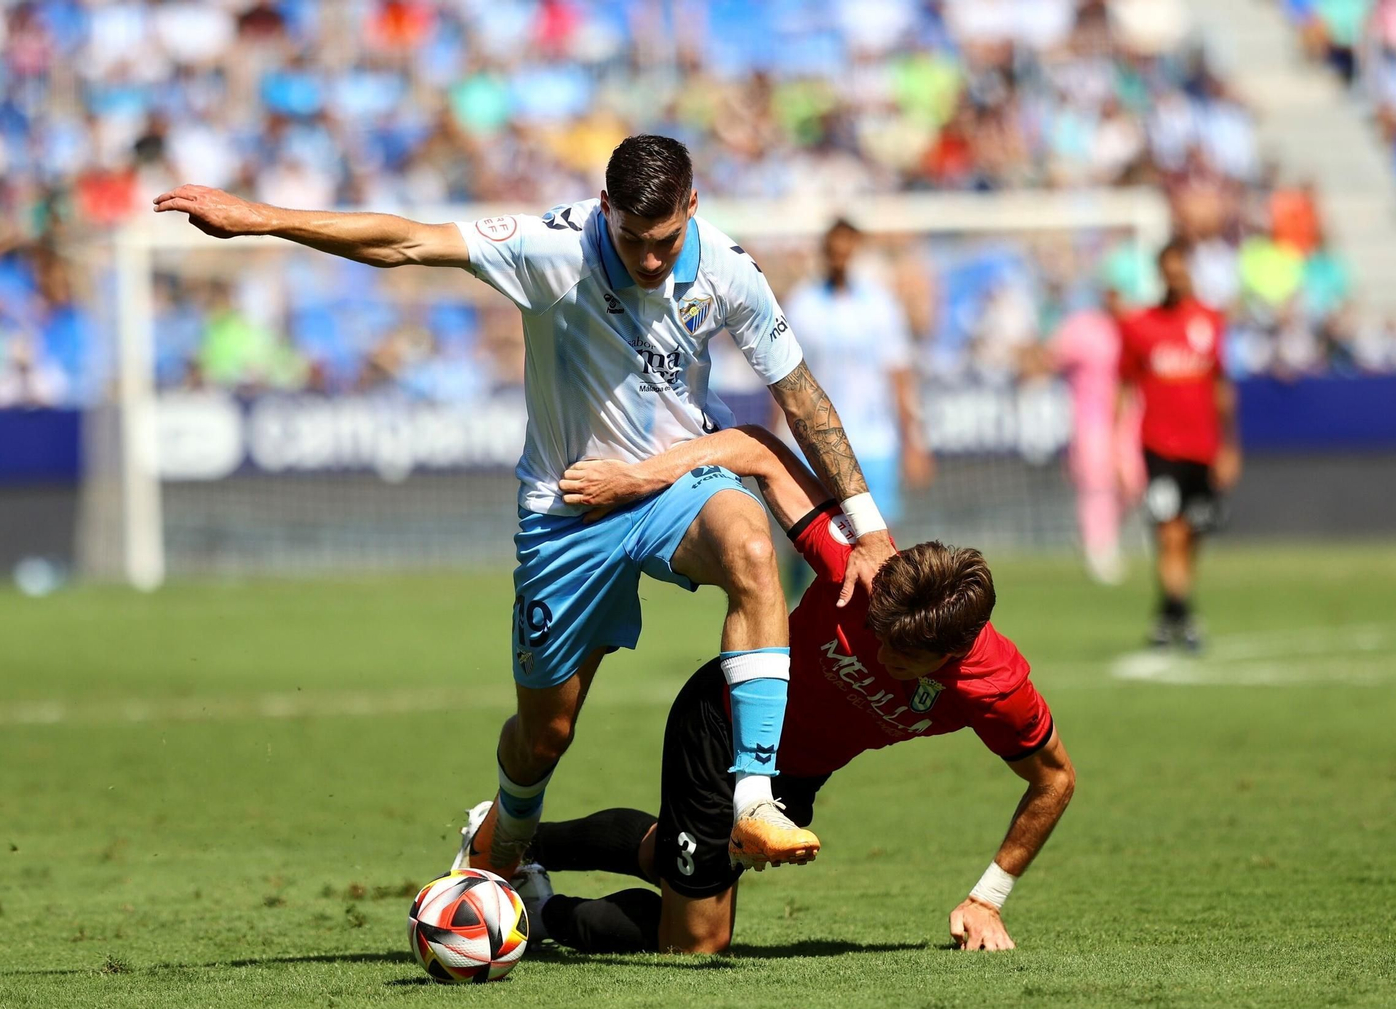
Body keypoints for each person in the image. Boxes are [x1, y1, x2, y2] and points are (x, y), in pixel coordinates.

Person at [152, 135, 896, 878]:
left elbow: (801, 398)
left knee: (751, 547)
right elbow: (406, 241)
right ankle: (504, 832)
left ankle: (754, 801)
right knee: (547, 736)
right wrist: (261, 218)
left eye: (664, 242)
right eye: (632, 240)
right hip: (567, 510)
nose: (647, 260)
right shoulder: (552, 248)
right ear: (605, 209)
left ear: (692, 208)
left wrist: (868, 531)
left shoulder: (730, 271)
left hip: (674, 484)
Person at [522, 426, 1075, 953]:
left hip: (797, 779)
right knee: (696, 940)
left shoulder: (995, 686)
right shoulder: (860, 567)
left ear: (951, 656)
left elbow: (1054, 780)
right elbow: (758, 449)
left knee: (667, 854)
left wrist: (988, 898)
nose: (879, 656)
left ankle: (513, 840)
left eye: (901, 659)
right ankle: (532, 910)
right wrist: (643, 477)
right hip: (721, 722)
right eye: (877, 636)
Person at [1115, 239, 1241, 650]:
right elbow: (1124, 387)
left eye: (1180, 269)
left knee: (1192, 536)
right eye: (1167, 270)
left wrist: (1228, 446)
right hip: (1160, 448)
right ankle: (1185, 619)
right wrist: (1117, 447)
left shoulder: (1209, 321)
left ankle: (1166, 616)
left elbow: (1221, 388)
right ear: (1159, 274)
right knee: (1169, 534)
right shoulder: (1139, 326)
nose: (1174, 277)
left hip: (1203, 449)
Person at [784, 218, 932, 534]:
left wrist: (912, 441)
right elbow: (785, 376)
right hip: (815, 438)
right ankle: (798, 586)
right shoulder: (802, 304)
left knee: (879, 535)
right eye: (834, 250)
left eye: (847, 250)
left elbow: (899, 375)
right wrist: (781, 434)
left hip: (873, 439)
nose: (840, 257)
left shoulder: (880, 304)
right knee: (808, 535)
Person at [1051, 288, 1143, 585]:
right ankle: (1099, 548)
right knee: (1097, 483)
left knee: (1132, 482)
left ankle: (1101, 535)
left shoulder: (1134, 329)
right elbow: (1052, 356)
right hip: (1092, 418)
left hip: (1128, 417)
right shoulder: (1084, 327)